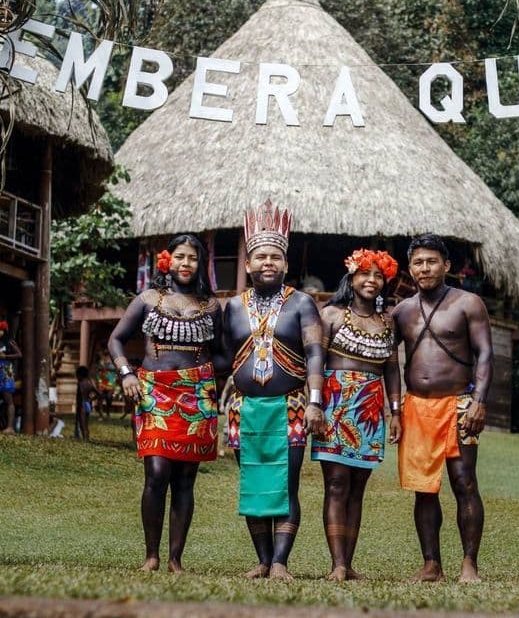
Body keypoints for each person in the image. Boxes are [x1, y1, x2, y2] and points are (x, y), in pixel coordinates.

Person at [108, 234, 224, 573]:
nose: (186, 263)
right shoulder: (147, 299)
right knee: (156, 473)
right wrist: (127, 373)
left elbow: (222, 355)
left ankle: (175, 558)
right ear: (167, 261)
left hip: (197, 396)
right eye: (180, 257)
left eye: (192, 258)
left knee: (185, 479)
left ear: (200, 264)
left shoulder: (211, 306)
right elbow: (116, 340)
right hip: (154, 394)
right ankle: (151, 555)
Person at [223, 200, 324, 581]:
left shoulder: (302, 304)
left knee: (285, 482)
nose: (268, 262)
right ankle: (263, 560)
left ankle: (281, 561)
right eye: (261, 256)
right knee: (254, 481)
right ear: (248, 264)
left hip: (292, 405)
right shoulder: (232, 308)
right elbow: (220, 358)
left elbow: (315, 354)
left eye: (276, 257)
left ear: (285, 264)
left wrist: (315, 402)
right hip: (243, 407)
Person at [392, 234, 492, 584]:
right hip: (416, 407)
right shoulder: (402, 310)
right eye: (418, 262)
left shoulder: (468, 304)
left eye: (431, 261)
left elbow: (484, 354)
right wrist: (393, 409)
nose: (425, 268)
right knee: (424, 488)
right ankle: (431, 564)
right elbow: (388, 362)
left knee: (464, 483)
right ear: (410, 268)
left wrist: (479, 400)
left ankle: (469, 564)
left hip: (460, 403)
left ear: (446, 265)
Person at [312, 249, 403, 581]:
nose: (372, 280)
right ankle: (336, 564)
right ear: (351, 278)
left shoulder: (387, 321)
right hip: (334, 404)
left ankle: (348, 564)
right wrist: (315, 404)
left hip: (369, 408)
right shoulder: (331, 315)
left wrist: (396, 411)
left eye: (378, 275)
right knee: (336, 484)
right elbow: (315, 362)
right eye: (365, 273)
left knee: (357, 487)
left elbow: (392, 369)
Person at [75, 366, 97, 441]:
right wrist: (91, 399)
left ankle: (86, 439)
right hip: (87, 404)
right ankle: (85, 437)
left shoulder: (80, 383)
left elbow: (80, 395)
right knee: (85, 423)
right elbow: (99, 394)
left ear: (79, 375)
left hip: (82, 405)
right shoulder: (89, 383)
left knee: (82, 424)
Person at [94, 349, 118, 420]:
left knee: (109, 398)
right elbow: (97, 369)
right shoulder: (100, 362)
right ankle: (101, 415)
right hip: (101, 382)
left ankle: (107, 413)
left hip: (110, 383)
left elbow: (115, 369)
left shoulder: (112, 361)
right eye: (105, 355)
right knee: (100, 398)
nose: (106, 356)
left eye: (107, 355)